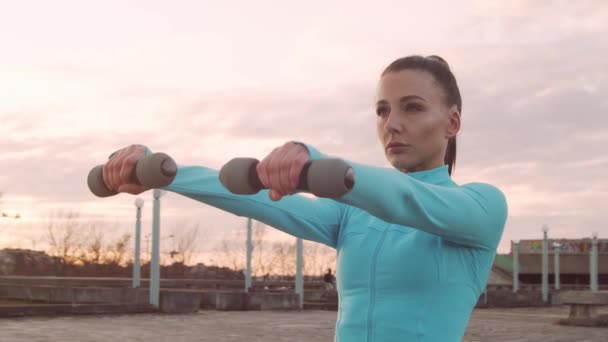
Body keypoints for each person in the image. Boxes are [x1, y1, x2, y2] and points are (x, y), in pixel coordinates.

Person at [102, 55, 508, 342]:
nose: (393, 125)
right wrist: (162, 172)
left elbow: (404, 198)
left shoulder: (481, 208)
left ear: (452, 121)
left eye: (413, 108)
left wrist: (312, 160)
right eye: (382, 111)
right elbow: (253, 197)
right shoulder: (356, 214)